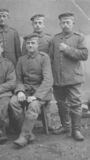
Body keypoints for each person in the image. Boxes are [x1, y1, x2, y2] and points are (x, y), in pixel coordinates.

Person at [9, 33, 53, 148]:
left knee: (33, 105)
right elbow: (18, 79)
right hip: (26, 90)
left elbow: (48, 80)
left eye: (33, 43)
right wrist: (20, 91)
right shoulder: (21, 60)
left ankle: (23, 136)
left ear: (38, 45)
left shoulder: (44, 58)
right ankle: (29, 133)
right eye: (28, 43)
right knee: (13, 102)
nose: (30, 45)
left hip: (41, 92)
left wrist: (37, 96)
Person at [49, 12, 88, 141]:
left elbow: (84, 55)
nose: (65, 25)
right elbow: (51, 58)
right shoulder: (55, 39)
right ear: (60, 23)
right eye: (63, 22)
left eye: (68, 22)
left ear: (73, 23)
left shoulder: (79, 38)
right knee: (61, 104)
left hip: (73, 79)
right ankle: (65, 127)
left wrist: (67, 49)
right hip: (58, 79)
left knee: (76, 104)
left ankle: (76, 130)